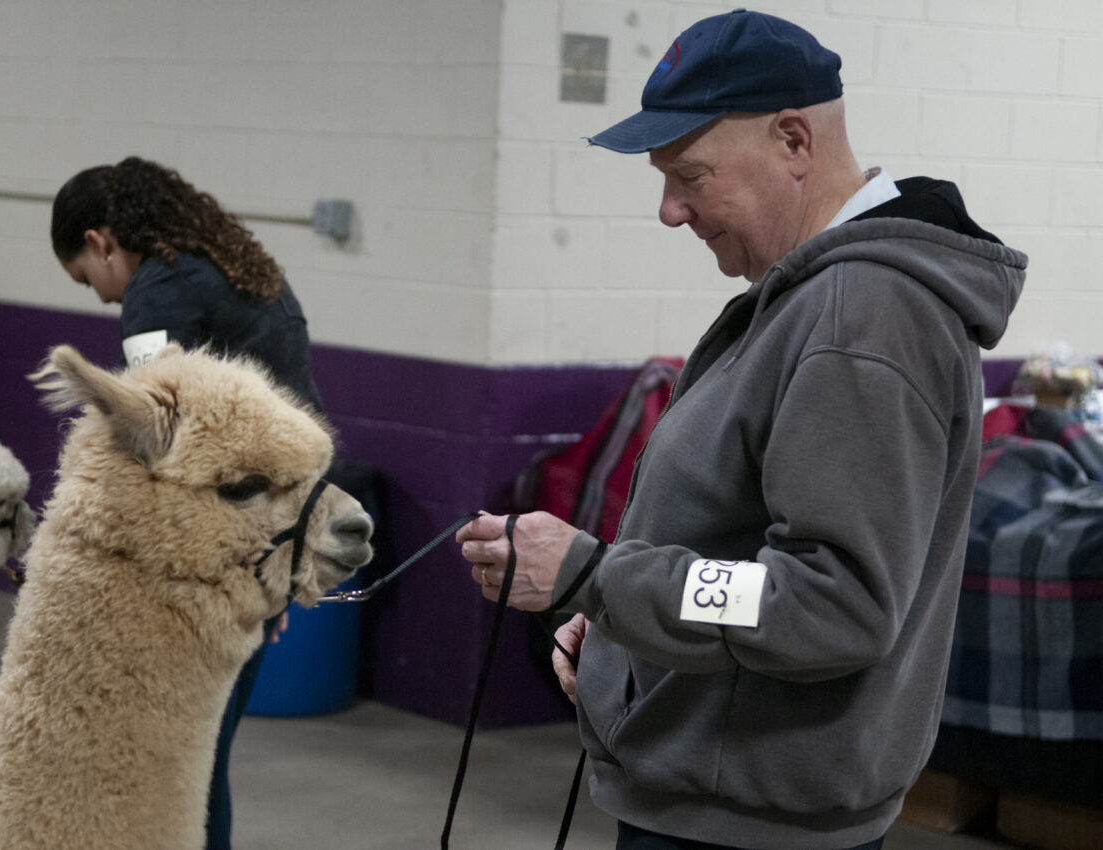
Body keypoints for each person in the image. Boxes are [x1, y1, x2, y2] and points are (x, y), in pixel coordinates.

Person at [456, 9, 1026, 850]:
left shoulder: (859, 317)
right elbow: (742, 548)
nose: (669, 211)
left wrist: (599, 579)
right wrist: (625, 622)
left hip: (744, 821)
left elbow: (831, 602)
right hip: (721, 793)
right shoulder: (812, 298)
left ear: (794, 141)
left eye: (689, 175)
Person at [51, 156, 322, 850]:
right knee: (203, 757)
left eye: (89, 278)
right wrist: (280, 569)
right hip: (271, 537)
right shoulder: (245, 274)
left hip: (219, 565)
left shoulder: (155, 293)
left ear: (102, 241)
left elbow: (153, 452)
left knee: (179, 768)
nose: (105, 299)